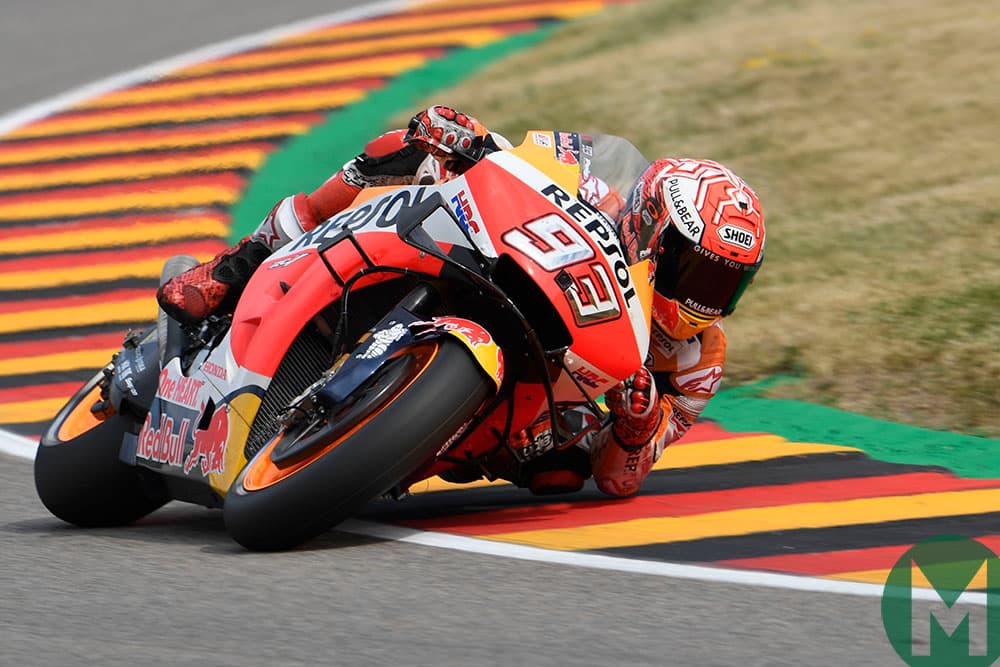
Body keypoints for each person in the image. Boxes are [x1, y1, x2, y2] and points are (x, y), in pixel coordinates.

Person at [158, 105, 766, 498]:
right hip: (499, 268)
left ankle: (395, 432)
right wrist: (467, 137)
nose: (702, 301)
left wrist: (636, 430)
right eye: (697, 272)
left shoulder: (698, 362)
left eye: (725, 287)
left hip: (533, 409)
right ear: (655, 226)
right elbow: (517, 161)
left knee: (562, 474)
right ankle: (236, 267)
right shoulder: (594, 187)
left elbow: (619, 479)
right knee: (405, 148)